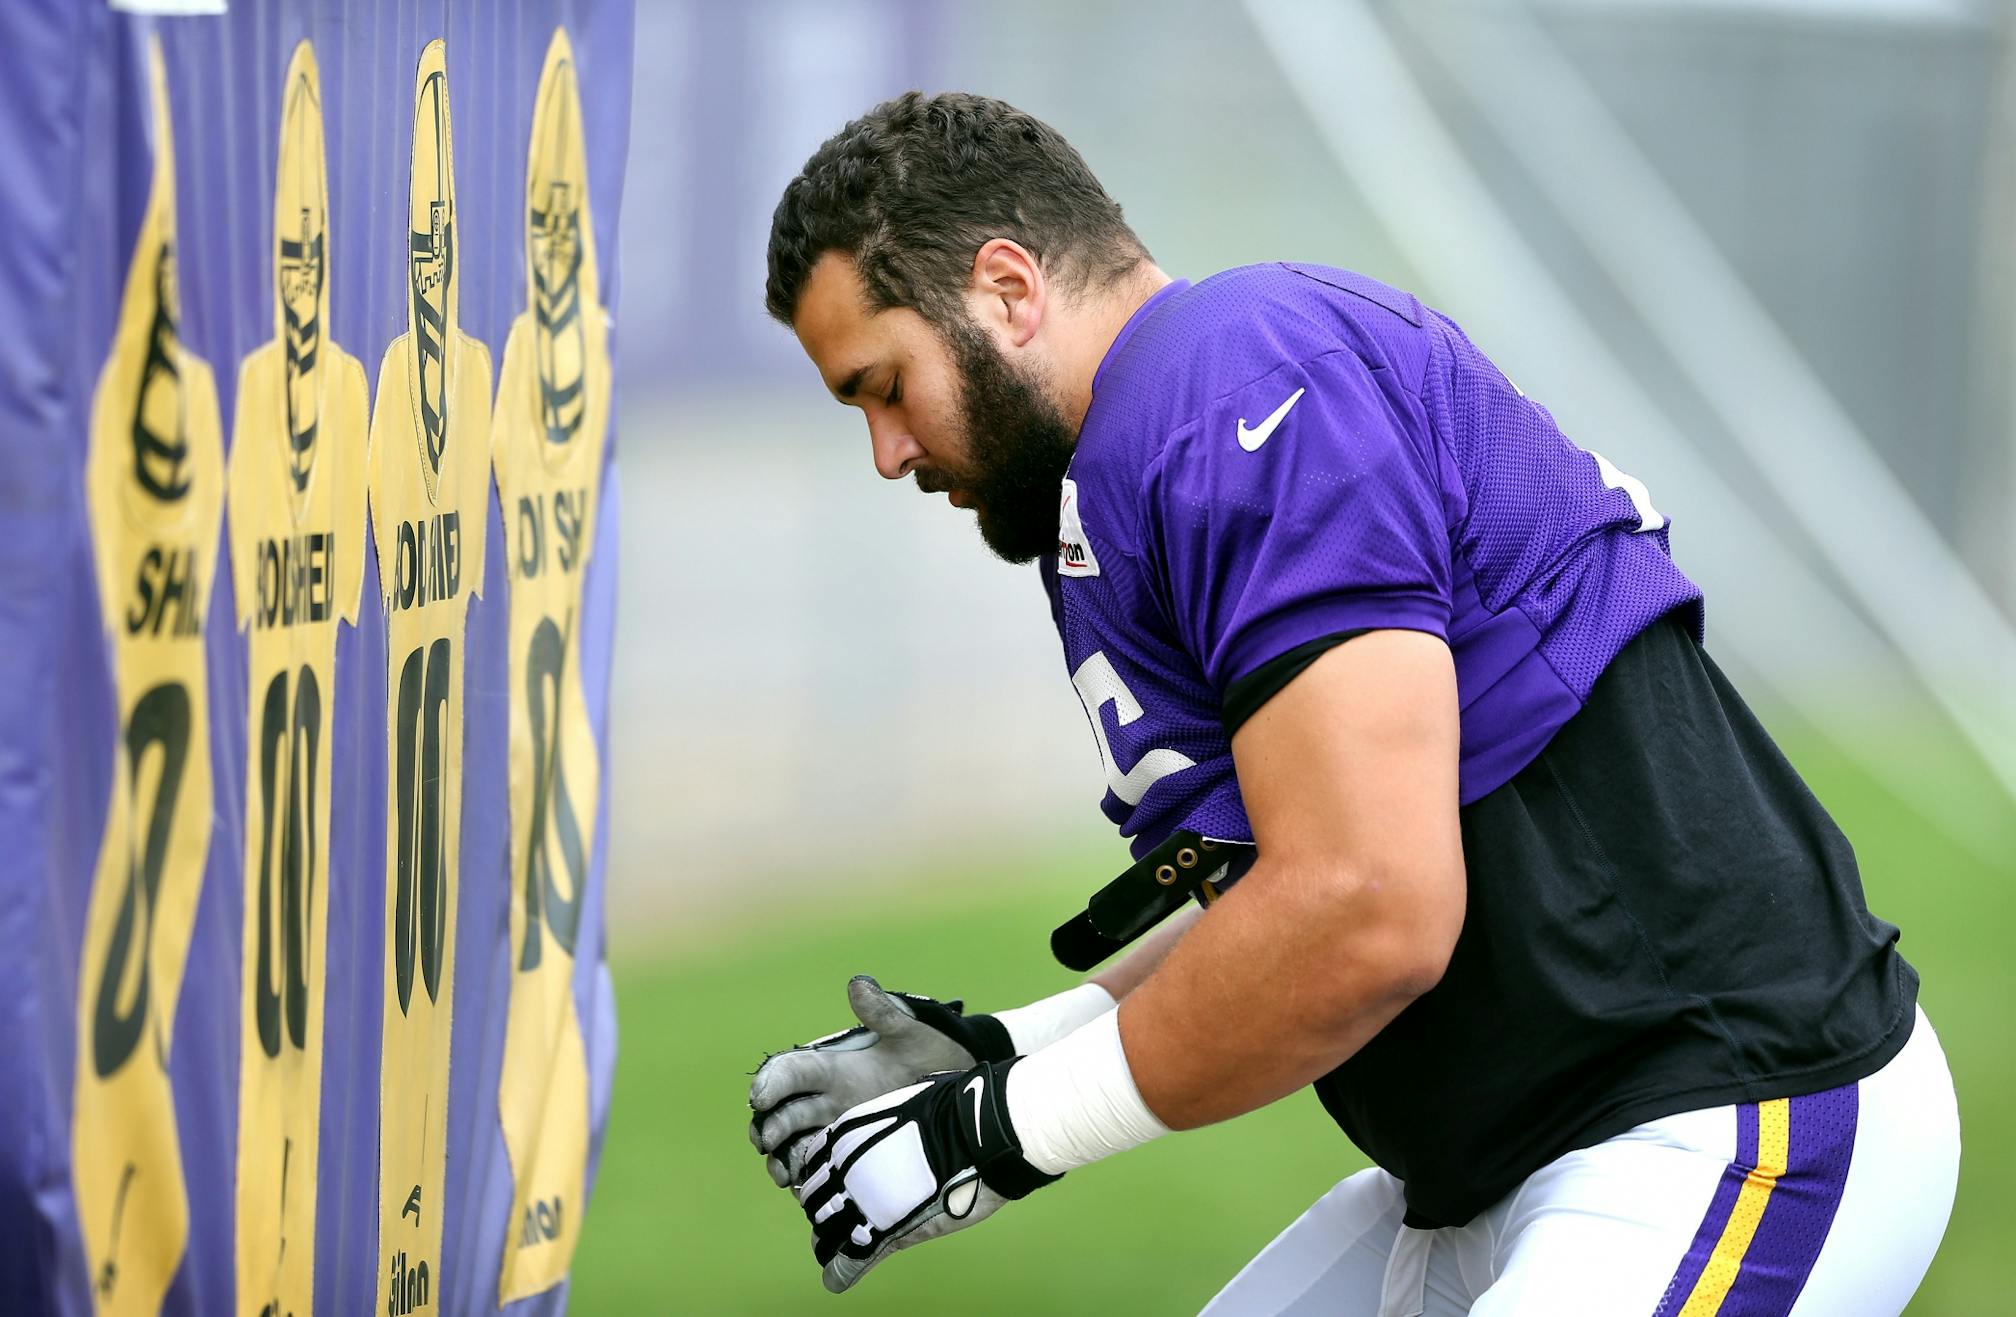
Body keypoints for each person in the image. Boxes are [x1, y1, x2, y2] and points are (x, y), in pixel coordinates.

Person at [744, 91, 1957, 1315]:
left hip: (1717, 1108)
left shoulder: (1231, 387)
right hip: (1500, 1158)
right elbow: (1301, 866)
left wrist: (994, 1136)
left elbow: (1369, 908)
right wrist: (1018, 1049)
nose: (888, 453)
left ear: (1008, 288)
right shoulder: (1143, 445)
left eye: (884, 385)